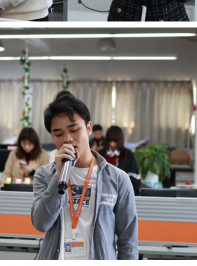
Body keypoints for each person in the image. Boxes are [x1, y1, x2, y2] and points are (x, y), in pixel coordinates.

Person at [31, 90, 138, 260]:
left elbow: (128, 240)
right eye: (58, 134)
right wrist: (58, 176)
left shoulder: (118, 179)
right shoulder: (45, 175)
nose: (67, 139)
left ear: (88, 128)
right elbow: (41, 224)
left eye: (74, 130)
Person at [99, 125, 141, 195]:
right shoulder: (100, 154)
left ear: (120, 140)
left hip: (123, 193)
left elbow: (135, 179)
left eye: (115, 141)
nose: (112, 144)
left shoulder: (128, 154)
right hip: (103, 193)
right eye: (110, 141)